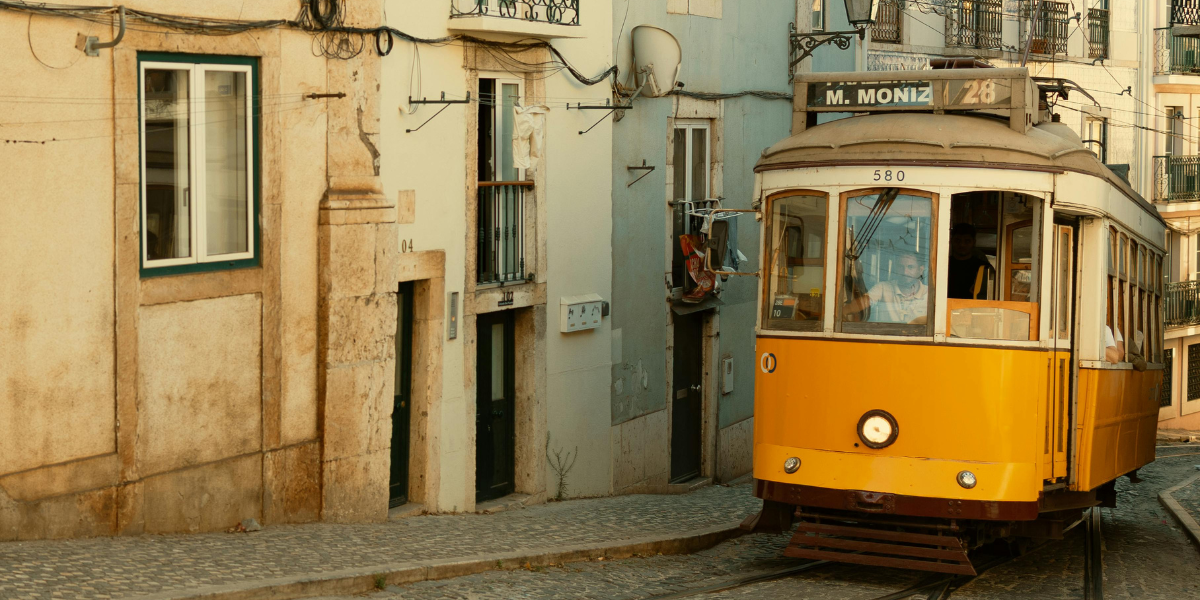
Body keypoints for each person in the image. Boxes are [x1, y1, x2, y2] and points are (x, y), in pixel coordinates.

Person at [866, 253, 928, 324]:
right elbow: (862, 303)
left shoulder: (930, 294)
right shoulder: (883, 287)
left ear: (920, 270)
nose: (905, 272)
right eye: (901, 267)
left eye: (910, 267)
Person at [947, 223, 994, 300]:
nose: (962, 245)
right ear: (951, 241)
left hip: (975, 309)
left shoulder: (984, 268)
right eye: (958, 240)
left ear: (974, 242)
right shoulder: (943, 264)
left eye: (967, 241)